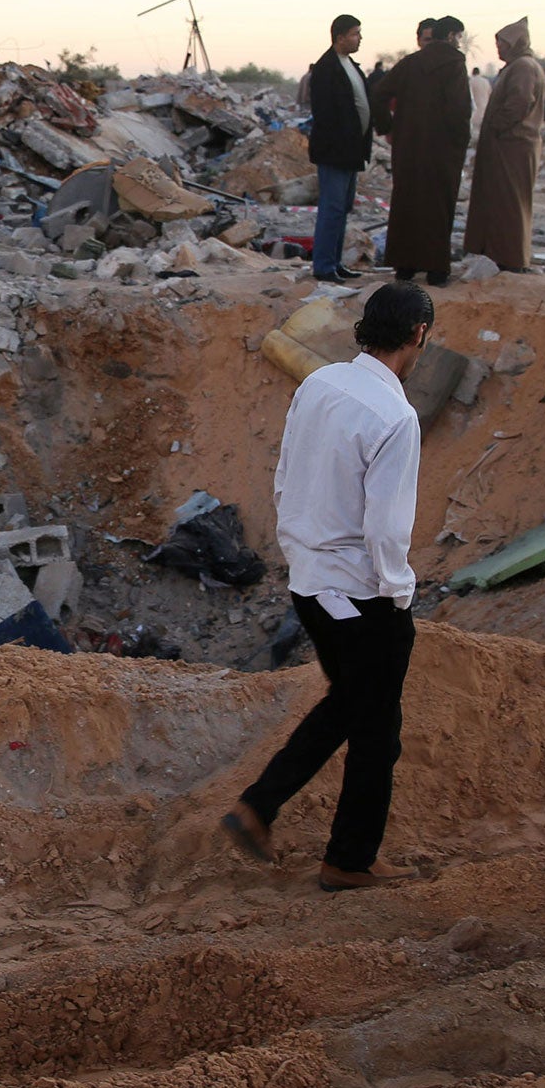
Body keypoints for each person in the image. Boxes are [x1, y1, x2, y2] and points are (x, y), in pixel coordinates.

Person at [221, 281, 433, 893]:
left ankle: (258, 808)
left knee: (351, 704)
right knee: (376, 732)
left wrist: (301, 554)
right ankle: (348, 859)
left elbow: (285, 476)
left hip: (310, 586)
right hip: (361, 595)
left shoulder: (319, 383)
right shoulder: (396, 417)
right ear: (418, 335)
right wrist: (398, 597)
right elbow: (387, 528)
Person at [373, 16, 471, 286]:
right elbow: (459, 110)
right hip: (442, 150)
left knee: (407, 202)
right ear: (451, 36)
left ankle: (405, 267)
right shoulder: (454, 65)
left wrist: (389, 128)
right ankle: (436, 269)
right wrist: (460, 142)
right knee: (438, 206)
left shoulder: (409, 64)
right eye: (459, 37)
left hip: (408, 147)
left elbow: (378, 95)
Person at [463, 18, 545, 272]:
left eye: (502, 44)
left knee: (510, 202)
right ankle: (500, 251)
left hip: (513, 146)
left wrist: (496, 127)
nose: (498, 49)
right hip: (509, 145)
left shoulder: (523, 67)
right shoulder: (518, 66)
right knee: (501, 200)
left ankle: (510, 256)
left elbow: (518, 103)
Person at [303, 15, 376, 284]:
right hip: (336, 152)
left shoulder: (351, 66)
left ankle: (334, 262)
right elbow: (326, 114)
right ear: (340, 36)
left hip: (351, 152)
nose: (360, 38)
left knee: (342, 209)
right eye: (356, 33)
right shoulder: (326, 68)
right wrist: (344, 143)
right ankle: (323, 266)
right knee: (331, 209)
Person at [468, 63, 492, 133]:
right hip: (485, 110)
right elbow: (490, 94)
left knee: (474, 132)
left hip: (474, 112)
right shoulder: (486, 81)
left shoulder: (471, 82)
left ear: (472, 73)